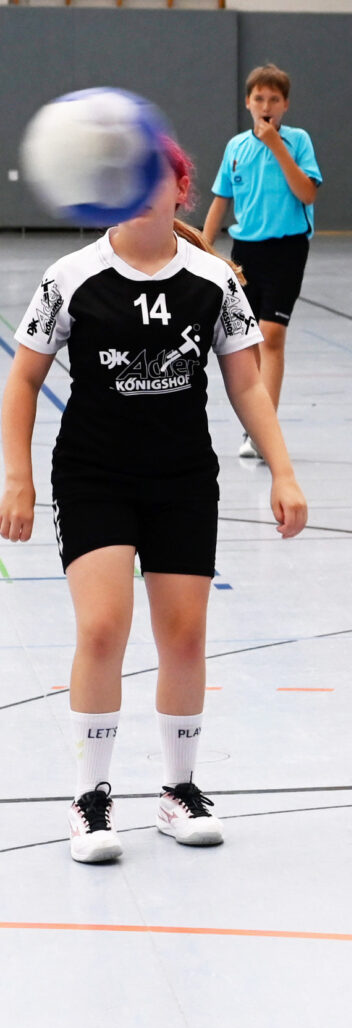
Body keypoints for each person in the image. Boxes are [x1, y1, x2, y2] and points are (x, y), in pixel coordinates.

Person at [0, 138, 308, 863]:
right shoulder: (71, 277)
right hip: (94, 476)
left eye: (154, 178)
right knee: (103, 629)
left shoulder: (213, 281)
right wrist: (17, 474)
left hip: (181, 481)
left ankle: (179, 790)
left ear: (181, 191)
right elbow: (22, 380)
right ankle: (91, 799)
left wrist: (283, 470)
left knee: (186, 637)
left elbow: (247, 384)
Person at [203, 63, 322, 461]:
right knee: (247, 341)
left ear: (285, 105)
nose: (266, 105)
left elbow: (307, 193)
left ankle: (263, 430)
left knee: (273, 336)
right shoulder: (235, 147)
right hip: (246, 252)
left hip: (287, 249)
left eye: (274, 99)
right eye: (259, 98)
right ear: (248, 103)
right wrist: (202, 248)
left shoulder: (298, 141)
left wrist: (276, 145)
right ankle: (252, 419)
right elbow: (222, 199)